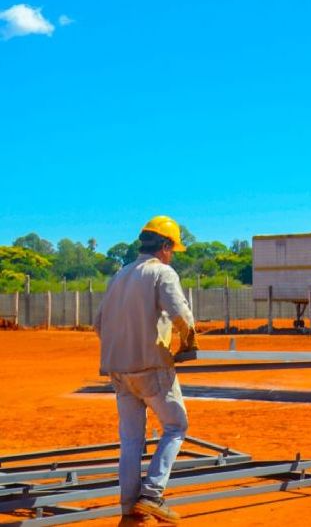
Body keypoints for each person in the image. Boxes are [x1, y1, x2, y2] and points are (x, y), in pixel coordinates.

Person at [94, 215, 197, 524]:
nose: (172, 254)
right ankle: (151, 496)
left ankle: (129, 507)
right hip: (152, 367)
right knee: (176, 426)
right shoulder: (161, 272)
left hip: (118, 371)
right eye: (172, 249)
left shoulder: (119, 275)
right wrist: (188, 343)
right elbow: (181, 315)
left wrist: (123, 347)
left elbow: (98, 324)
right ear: (164, 246)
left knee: (130, 440)